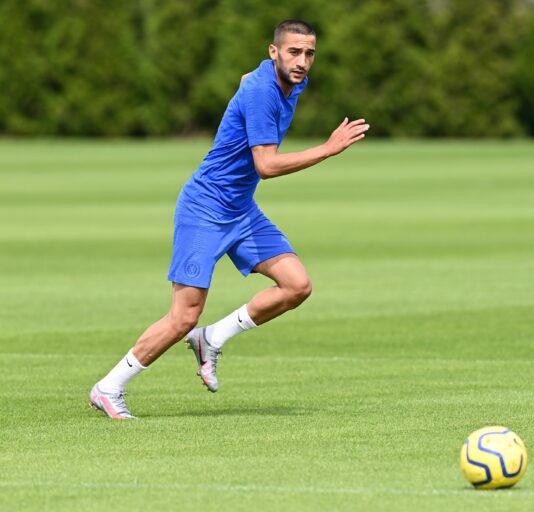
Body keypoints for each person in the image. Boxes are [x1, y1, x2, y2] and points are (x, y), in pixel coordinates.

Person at [89, 19, 369, 419]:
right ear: (274, 51)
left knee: (296, 285)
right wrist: (327, 149)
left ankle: (214, 338)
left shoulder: (288, 80)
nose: (303, 61)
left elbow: (246, 79)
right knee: (183, 316)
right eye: (293, 52)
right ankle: (107, 387)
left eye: (309, 53)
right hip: (205, 208)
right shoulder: (260, 91)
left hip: (240, 209)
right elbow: (267, 166)